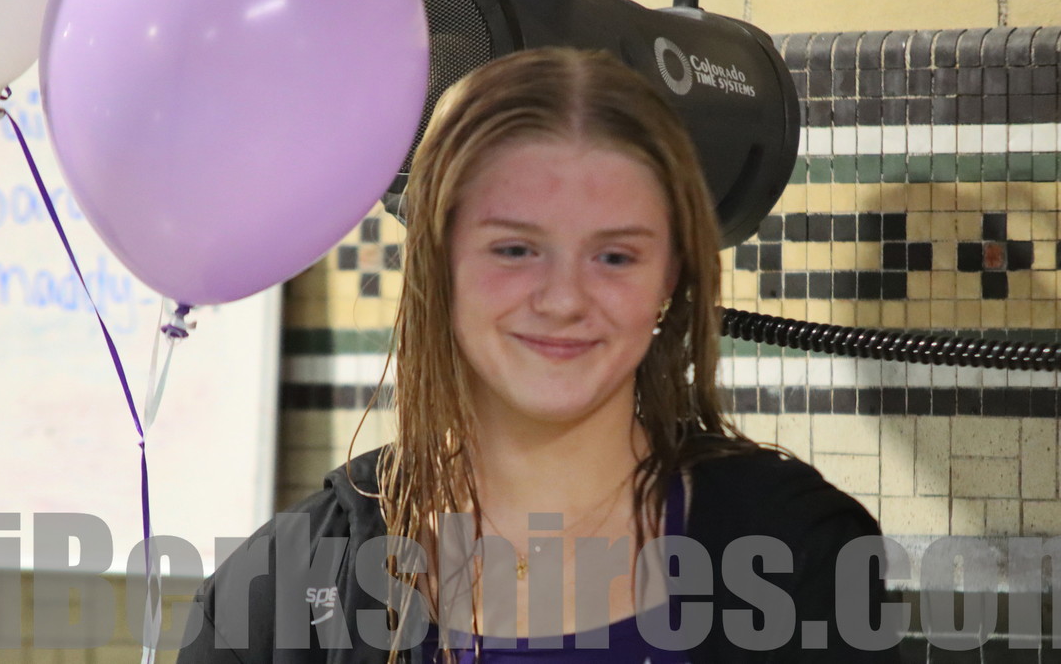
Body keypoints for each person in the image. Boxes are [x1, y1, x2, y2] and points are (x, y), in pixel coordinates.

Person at [178, 47, 899, 663]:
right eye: (516, 249)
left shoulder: (797, 557)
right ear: (439, 264)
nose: (563, 298)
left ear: (671, 275)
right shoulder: (283, 591)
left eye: (615, 256)